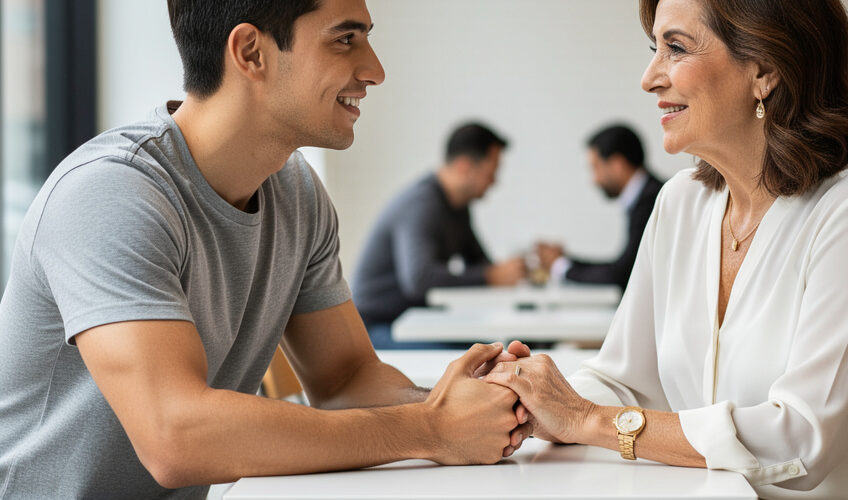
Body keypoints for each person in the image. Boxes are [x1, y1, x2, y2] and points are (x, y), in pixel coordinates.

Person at [0, 1, 533, 498]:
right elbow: (175, 436)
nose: (375, 70)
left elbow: (346, 378)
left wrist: (486, 406)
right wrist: (429, 428)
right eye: (345, 40)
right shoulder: (110, 194)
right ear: (251, 52)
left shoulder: (295, 191)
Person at [484, 0, 848, 498]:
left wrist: (588, 420)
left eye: (675, 48)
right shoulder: (681, 203)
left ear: (766, 69)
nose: (649, 78)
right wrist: (525, 399)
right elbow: (623, 379)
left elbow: (802, 439)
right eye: (656, 49)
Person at [352, 122, 526, 349]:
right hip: (379, 329)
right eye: (491, 172)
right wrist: (492, 276)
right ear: (464, 166)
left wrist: (509, 271)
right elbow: (419, 279)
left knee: (495, 348)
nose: (495, 181)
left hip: (417, 322)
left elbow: (479, 263)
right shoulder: (421, 205)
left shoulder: (457, 206)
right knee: (481, 357)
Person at [535, 124, 663, 290]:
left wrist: (560, 267)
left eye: (595, 167)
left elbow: (624, 274)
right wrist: (566, 261)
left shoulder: (651, 200)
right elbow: (624, 265)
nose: (593, 180)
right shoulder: (646, 196)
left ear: (617, 165)